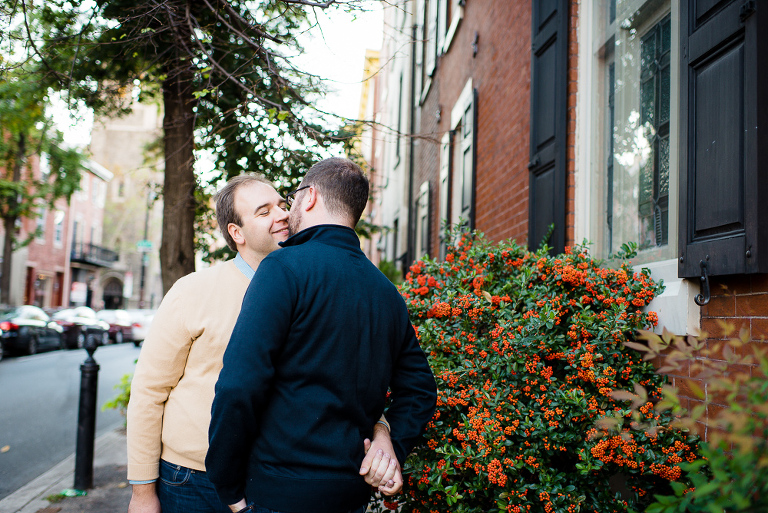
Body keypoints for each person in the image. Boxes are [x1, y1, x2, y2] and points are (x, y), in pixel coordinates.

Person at [126, 174, 400, 513]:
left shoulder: (315, 288)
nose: (282, 214)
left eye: (283, 205)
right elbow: (149, 391)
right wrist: (142, 491)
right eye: (264, 211)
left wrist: (382, 429)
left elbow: (340, 381)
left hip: (273, 483)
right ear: (236, 233)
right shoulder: (193, 291)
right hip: (193, 480)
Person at [206, 158, 438, 513]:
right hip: (352, 493)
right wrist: (391, 442)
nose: (288, 211)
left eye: (292, 199)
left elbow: (239, 384)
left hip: (278, 492)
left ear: (310, 197)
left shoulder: (282, 269)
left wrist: (227, 486)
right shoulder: (387, 293)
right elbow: (420, 388)